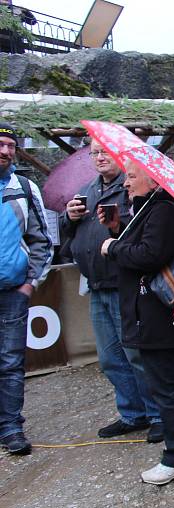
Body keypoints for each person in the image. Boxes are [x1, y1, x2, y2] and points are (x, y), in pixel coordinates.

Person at [100, 160, 174, 485]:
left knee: (166, 388)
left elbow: (150, 255)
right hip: (160, 313)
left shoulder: (161, 210)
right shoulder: (153, 207)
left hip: (157, 315)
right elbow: (146, 247)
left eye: (132, 176)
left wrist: (113, 247)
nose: (126, 183)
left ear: (154, 180)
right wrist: (119, 230)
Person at [60, 140, 162, 443]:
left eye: (106, 151)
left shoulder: (132, 185)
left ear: (120, 156)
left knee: (136, 354)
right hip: (97, 284)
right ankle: (133, 413)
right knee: (109, 358)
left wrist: (120, 222)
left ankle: (157, 413)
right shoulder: (88, 190)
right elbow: (69, 233)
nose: (100, 157)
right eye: (95, 153)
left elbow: (142, 231)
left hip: (123, 284)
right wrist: (69, 217)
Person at [0, 123, 52, 455]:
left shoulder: (24, 187)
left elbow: (41, 239)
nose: (5, 151)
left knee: (9, 361)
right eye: (0, 144)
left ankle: (10, 427)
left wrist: (30, 282)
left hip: (12, 291)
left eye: (10, 146)